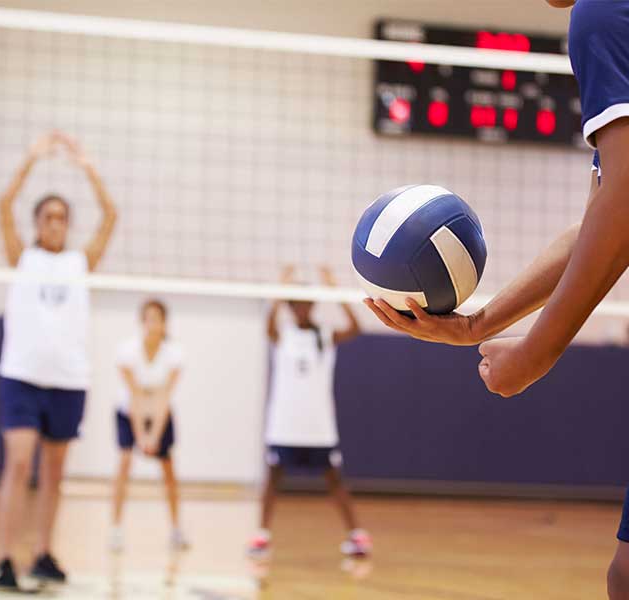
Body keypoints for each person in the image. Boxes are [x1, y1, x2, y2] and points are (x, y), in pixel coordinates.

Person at [364, 1, 629, 597]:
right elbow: (599, 219)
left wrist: (535, 353)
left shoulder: (604, 12)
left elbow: (624, 208)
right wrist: (477, 323)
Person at [0, 131, 117, 589]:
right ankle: (4, 558)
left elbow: (111, 216)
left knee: (55, 472)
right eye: (49, 217)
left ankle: (43, 552)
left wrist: (87, 166)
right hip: (23, 377)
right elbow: (3, 205)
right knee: (20, 463)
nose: (56, 223)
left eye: (63, 217)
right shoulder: (21, 257)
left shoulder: (81, 262)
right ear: (37, 222)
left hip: (68, 380)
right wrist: (31, 158)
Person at [248, 266, 372, 558]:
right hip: (284, 426)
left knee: (335, 481)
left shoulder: (325, 335)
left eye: (306, 302)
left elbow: (356, 328)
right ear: (290, 307)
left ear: (313, 304)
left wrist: (335, 290)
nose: (301, 308)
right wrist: (281, 289)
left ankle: (356, 536)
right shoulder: (283, 334)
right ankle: (261, 536)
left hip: (318, 427)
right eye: (296, 303)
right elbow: (268, 325)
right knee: (272, 480)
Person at [109, 299, 188, 552]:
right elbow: (135, 395)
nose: (153, 324)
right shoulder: (127, 351)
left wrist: (153, 435)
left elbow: (164, 396)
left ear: (165, 323)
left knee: (169, 471)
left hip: (159, 414)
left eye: (158, 318)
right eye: (148, 318)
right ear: (141, 322)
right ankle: (116, 530)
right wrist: (141, 434)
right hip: (128, 411)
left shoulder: (174, 353)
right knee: (124, 463)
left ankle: (176, 530)